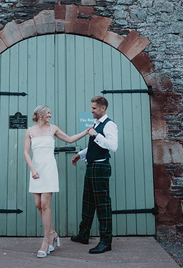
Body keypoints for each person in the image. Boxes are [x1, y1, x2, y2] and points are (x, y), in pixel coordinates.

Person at [24, 105, 90, 258]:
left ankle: (46, 241)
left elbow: (69, 139)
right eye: (48, 113)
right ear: (40, 114)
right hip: (36, 170)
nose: (50, 116)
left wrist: (85, 132)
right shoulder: (30, 131)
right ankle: (53, 233)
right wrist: (32, 169)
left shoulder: (52, 129)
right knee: (38, 204)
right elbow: (26, 153)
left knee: (45, 204)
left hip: (49, 170)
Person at [70, 96, 118, 254]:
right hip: (92, 167)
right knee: (88, 203)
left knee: (102, 205)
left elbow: (112, 146)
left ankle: (106, 242)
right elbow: (95, 147)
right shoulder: (96, 124)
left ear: (103, 108)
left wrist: (95, 135)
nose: (91, 110)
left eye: (94, 108)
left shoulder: (109, 124)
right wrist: (80, 154)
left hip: (101, 168)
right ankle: (84, 234)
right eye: (91, 108)